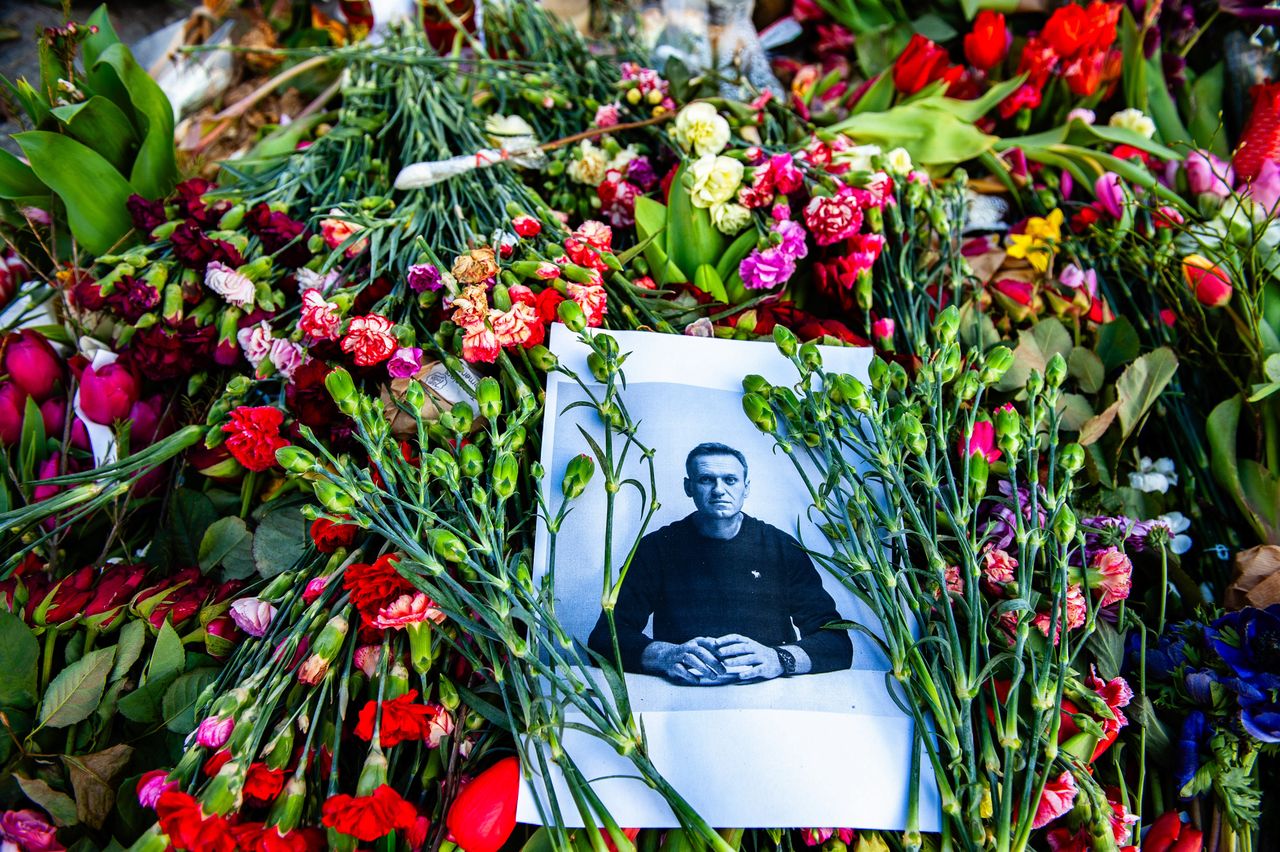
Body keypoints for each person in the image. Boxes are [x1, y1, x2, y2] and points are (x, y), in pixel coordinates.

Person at [587, 442, 853, 685]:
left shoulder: (782, 547)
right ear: (688, 486)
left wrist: (778, 659)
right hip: (684, 693)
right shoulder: (655, 548)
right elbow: (602, 639)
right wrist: (665, 655)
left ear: (745, 488)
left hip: (771, 694)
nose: (718, 490)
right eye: (706, 480)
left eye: (730, 480)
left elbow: (837, 642)